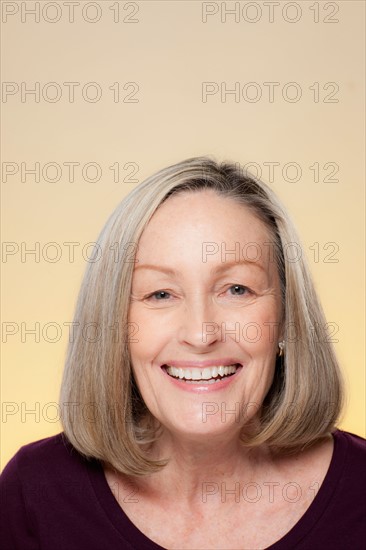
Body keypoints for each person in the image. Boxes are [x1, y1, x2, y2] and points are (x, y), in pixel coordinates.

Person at [1, 157, 365, 550]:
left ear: (286, 317)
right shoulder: (35, 491)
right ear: (115, 326)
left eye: (237, 289)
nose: (200, 333)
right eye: (160, 293)